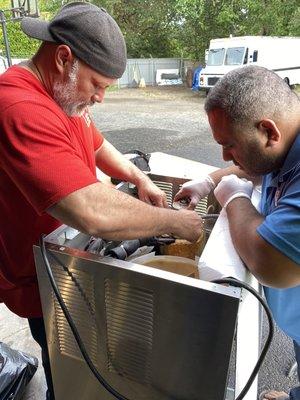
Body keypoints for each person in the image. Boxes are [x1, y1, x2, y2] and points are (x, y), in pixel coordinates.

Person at [0, 3, 203, 399]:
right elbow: (91, 211)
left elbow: (95, 141)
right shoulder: (18, 106)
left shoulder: (61, 94)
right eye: (98, 85)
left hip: (63, 259)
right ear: (63, 59)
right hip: (42, 276)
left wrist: (138, 177)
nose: (101, 98)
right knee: (66, 366)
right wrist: (177, 223)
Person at [174, 65, 300, 400]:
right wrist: (209, 181)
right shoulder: (286, 137)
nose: (224, 156)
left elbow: (268, 260)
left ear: (268, 132)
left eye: (229, 145)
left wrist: (234, 197)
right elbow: (256, 163)